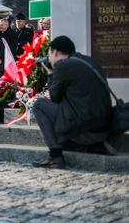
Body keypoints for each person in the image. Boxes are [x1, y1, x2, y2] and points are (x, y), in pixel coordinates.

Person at [32, 36, 114, 169]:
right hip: (104, 130)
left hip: (84, 131)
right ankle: (94, 145)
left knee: (39, 105)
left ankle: (55, 155)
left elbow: (54, 98)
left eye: (49, 54)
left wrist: (50, 73)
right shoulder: (89, 61)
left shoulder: (62, 66)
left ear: (55, 52)